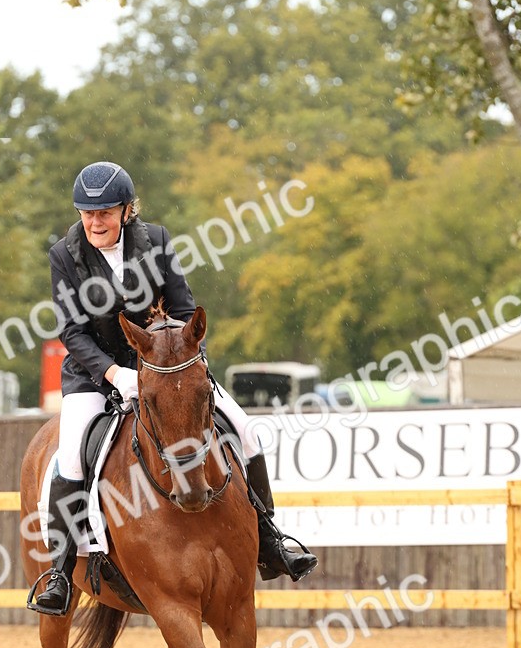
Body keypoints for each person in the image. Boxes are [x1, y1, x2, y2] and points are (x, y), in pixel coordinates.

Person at [28, 161, 317, 615]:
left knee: (245, 429)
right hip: (94, 374)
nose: (94, 222)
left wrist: (169, 358)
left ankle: (270, 540)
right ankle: (61, 573)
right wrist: (116, 373)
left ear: (126, 211)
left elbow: (182, 306)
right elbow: (72, 332)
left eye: (104, 212)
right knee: (70, 455)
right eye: (87, 213)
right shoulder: (65, 255)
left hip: (167, 369)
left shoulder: (156, 241)